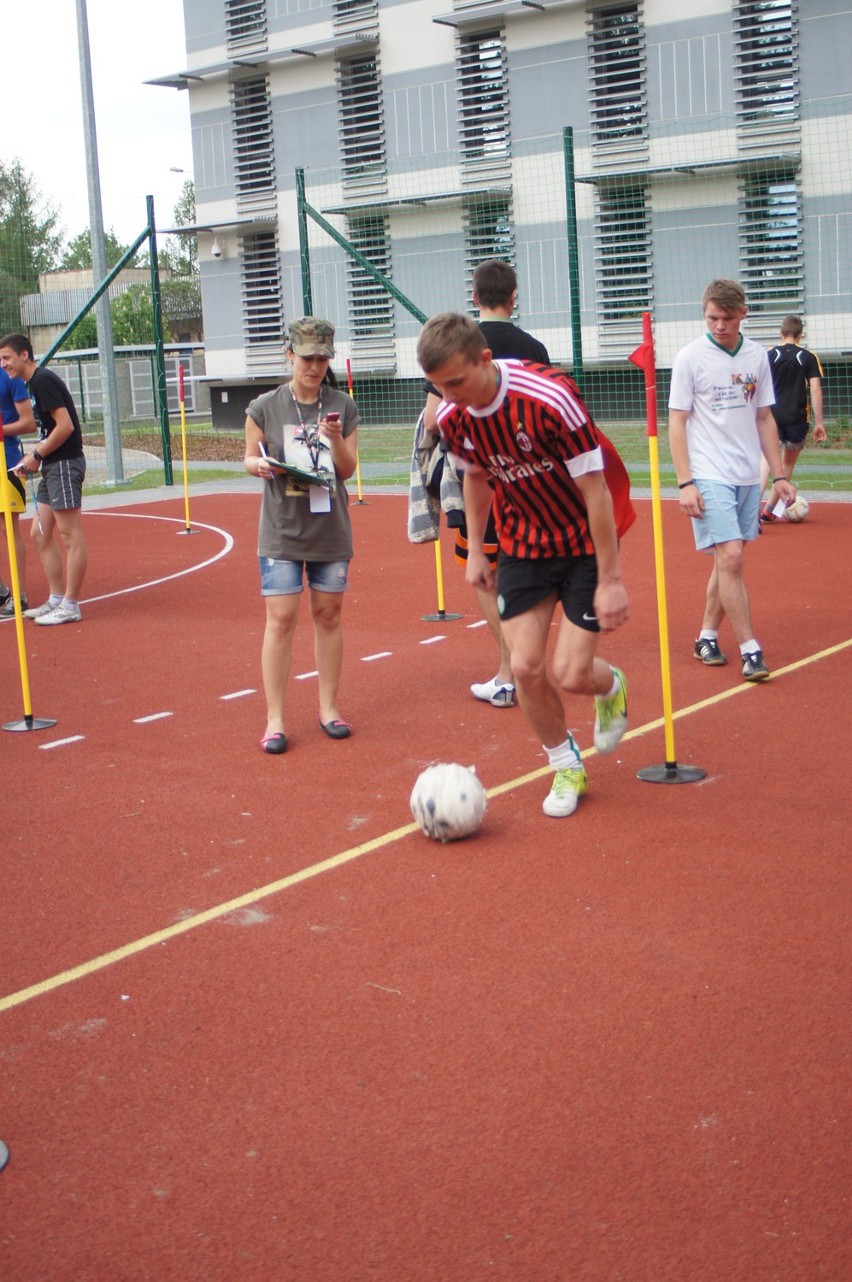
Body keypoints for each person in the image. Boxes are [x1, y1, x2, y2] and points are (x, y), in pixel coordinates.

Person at [417, 312, 633, 820]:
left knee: (572, 673)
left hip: (582, 540)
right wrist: (474, 549)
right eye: (436, 387)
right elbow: (474, 478)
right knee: (527, 667)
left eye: (455, 382)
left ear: (484, 360)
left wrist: (611, 579)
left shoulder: (551, 397)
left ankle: (610, 686)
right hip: (525, 544)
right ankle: (566, 765)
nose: (447, 397)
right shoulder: (453, 417)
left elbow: (595, 490)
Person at [420, 260, 552, 709]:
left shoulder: (457, 346)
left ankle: (509, 669)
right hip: (530, 477)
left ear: (474, 297)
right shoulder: (534, 346)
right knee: (525, 568)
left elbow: (436, 418)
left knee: (483, 572)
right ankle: (520, 666)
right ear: (513, 297)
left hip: (483, 473)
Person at [667, 279, 795, 682]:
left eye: (726, 317)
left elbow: (763, 417)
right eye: (711, 318)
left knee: (727, 561)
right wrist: (685, 482)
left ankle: (706, 636)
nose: (719, 325)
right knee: (733, 558)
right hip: (707, 473)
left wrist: (778, 475)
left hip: (745, 474)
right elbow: (677, 421)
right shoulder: (690, 357)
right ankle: (750, 650)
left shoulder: (757, 356)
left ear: (743, 313)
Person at [244, 318, 360, 755]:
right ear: (289, 354)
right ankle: (275, 719)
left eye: (322, 358)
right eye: (307, 357)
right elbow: (249, 459)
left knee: (328, 615)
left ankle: (329, 708)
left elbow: (348, 469)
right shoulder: (264, 406)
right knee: (281, 619)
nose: (315, 366)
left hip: (329, 525)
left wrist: (334, 439)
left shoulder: (342, 406)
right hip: (281, 528)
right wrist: (259, 466)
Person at [0, 334, 87, 625]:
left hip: (64, 462)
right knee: (39, 533)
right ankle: (55, 598)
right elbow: (50, 430)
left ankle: (71, 604)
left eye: (7, 358)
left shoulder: (42, 381)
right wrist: (36, 458)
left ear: (24, 354)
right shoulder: (33, 384)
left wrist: (37, 454)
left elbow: (65, 426)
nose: (3, 364)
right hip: (51, 463)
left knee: (69, 535)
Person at [759, 315, 826, 522]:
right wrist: (820, 422)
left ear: (781, 333)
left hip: (772, 416)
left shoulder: (769, 354)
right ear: (801, 335)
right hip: (798, 418)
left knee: (766, 462)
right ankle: (769, 510)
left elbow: (759, 384)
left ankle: (751, 512)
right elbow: (815, 389)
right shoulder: (808, 356)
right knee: (787, 464)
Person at [0, 366, 36, 617]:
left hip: (6, 459)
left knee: (8, 529)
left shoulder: (9, 376)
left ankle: (19, 596)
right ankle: (2, 591)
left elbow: (29, 422)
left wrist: (1, 431)